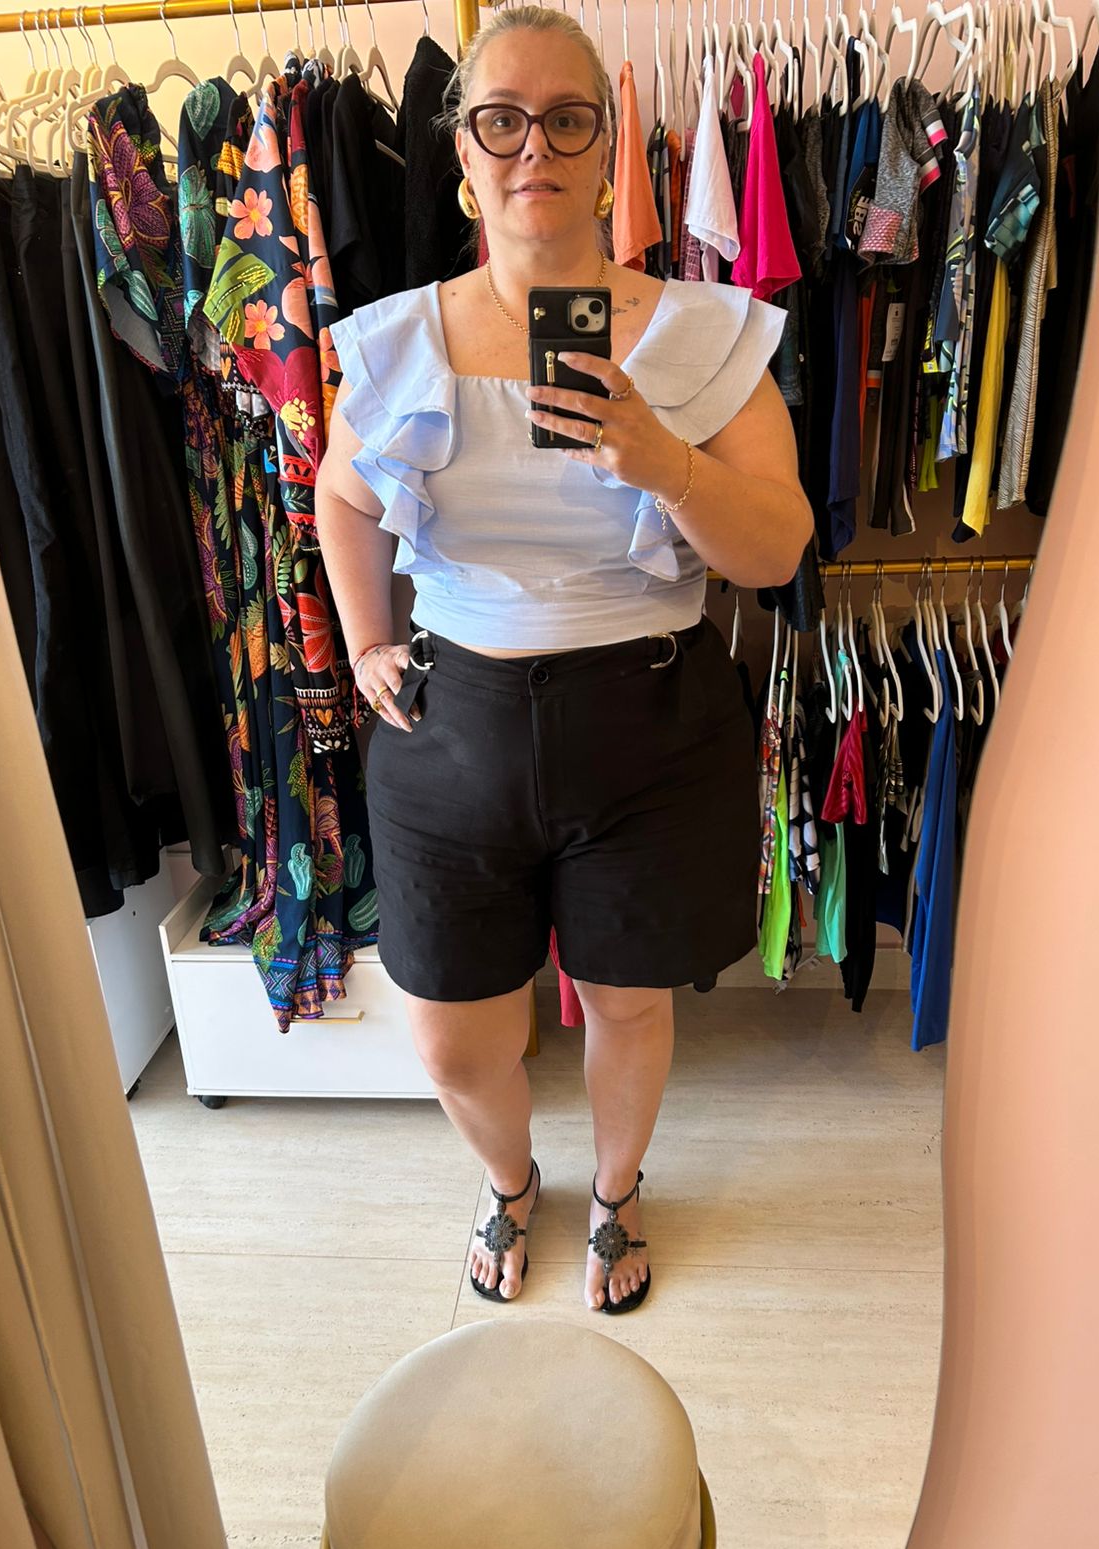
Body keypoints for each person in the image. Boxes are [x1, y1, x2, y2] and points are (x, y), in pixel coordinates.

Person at [316, 5, 813, 1314]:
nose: (533, 146)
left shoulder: (704, 333)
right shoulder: (396, 339)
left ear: (609, 151)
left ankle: (617, 1193)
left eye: (567, 118)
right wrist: (365, 638)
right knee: (450, 1030)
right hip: (451, 720)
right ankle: (511, 1180)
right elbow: (343, 499)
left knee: (628, 1004)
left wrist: (666, 463)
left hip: (648, 722)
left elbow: (775, 549)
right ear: (463, 156)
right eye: (501, 120)